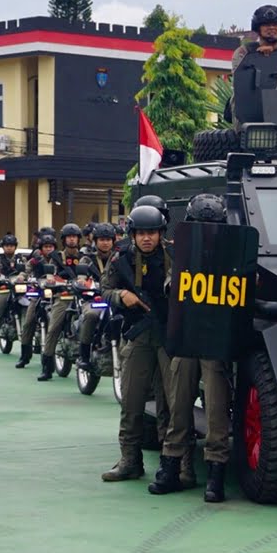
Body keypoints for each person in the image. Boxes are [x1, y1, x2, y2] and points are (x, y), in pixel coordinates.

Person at [156, 193, 234, 501]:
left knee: (216, 410)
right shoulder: (183, 254)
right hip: (187, 337)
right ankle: (172, 466)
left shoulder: (231, 255)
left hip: (215, 339)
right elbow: (169, 286)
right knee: (178, 405)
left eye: (209, 224)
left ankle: (216, 474)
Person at [99, 204, 173, 483]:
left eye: (152, 232)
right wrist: (121, 296)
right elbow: (104, 289)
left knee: (171, 403)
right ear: (133, 234)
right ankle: (130, 460)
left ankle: (172, 463)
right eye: (141, 232)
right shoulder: (121, 259)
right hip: (139, 334)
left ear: (160, 233)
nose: (146, 238)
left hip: (168, 336)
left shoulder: (174, 256)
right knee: (131, 401)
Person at [37, 223, 85, 381]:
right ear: (64, 239)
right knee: (54, 328)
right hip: (64, 296)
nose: (72, 239)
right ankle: (47, 367)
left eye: (75, 236)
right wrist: (52, 281)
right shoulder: (56, 257)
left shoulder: (85, 256)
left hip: (84, 297)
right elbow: (51, 274)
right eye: (69, 237)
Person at [73, 223, 119, 372]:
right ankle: (84, 355)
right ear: (96, 241)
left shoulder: (118, 258)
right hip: (94, 299)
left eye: (108, 240)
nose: (105, 243)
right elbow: (81, 276)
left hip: (114, 298)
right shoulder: (87, 259)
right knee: (92, 315)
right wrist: (82, 282)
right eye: (102, 240)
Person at [15, 230, 61, 370]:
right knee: (29, 322)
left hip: (55, 293)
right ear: (41, 248)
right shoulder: (35, 260)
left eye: (51, 246)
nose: (48, 249)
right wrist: (22, 277)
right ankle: (24, 356)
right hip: (39, 292)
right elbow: (26, 270)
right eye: (46, 247)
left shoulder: (59, 259)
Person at [0, 234, 27, 355]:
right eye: (7, 245)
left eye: (11, 245)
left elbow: (26, 271)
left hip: (18, 288)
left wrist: (22, 276)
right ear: (3, 247)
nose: (9, 248)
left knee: (31, 304)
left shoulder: (21, 259)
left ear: (15, 247)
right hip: (3, 287)